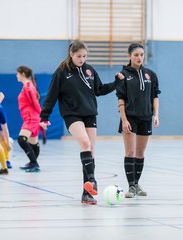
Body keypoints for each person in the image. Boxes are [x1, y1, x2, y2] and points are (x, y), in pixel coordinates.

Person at [40, 40, 118, 204]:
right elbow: (51, 96)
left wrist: (116, 83)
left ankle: (86, 193)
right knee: (84, 142)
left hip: (89, 114)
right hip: (71, 114)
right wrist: (44, 116)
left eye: (84, 56)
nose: (82, 59)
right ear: (71, 54)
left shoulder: (89, 70)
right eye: (78, 56)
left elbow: (99, 90)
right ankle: (92, 180)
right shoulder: (61, 72)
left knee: (91, 149)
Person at [115, 43, 160, 198]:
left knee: (140, 153)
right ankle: (131, 186)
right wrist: (124, 119)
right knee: (130, 151)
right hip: (130, 119)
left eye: (141, 54)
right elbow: (121, 99)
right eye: (136, 55)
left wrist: (156, 115)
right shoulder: (123, 75)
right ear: (129, 56)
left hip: (146, 118)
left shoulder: (151, 75)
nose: (139, 57)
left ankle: (137, 184)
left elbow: (155, 96)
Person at [16, 66, 42, 172]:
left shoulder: (28, 86)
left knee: (21, 139)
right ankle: (33, 162)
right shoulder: (27, 86)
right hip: (30, 117)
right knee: (33, 142)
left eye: (17, 74)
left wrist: (42, 117)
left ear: (22, 74)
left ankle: (34, 163)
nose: (16, 76)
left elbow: (35, 103)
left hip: (31, 117)